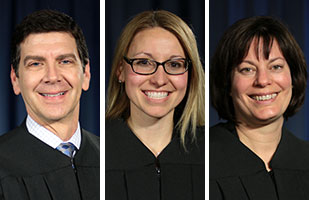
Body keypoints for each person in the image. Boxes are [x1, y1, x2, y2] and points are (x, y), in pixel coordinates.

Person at [0, 9, 99, 199]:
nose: (52, 77)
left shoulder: (110, 159)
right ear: (15, 79)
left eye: (65, 61)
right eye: (36, 64)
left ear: (86, 74)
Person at [106, 10, 205, 200]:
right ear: (121, 71)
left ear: (190, 75)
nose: (159, 79)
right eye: (144, 62)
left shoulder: (210, 153)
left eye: (174, 65)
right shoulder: (97, 153)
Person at [210, 16, 309, 199]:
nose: (263, 81)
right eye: (247, 69)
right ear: (228, 83)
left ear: (293, 78)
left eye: (276, 67)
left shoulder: (305, 159)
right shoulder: (200, 159)